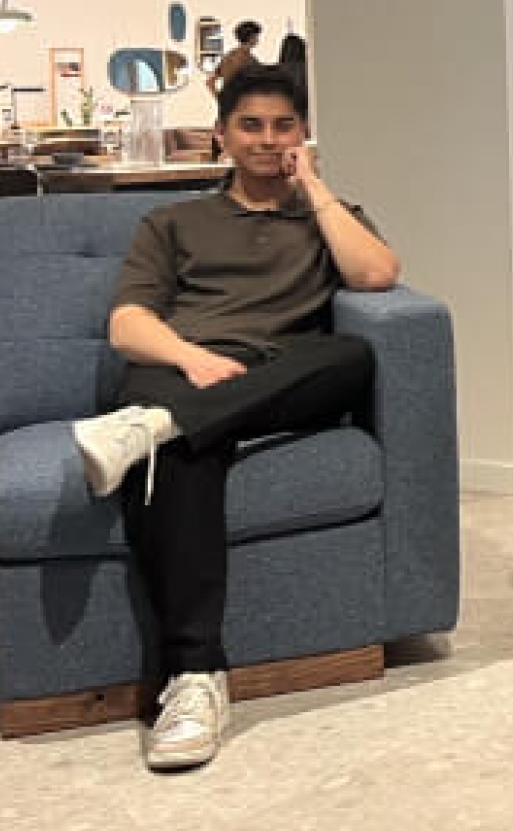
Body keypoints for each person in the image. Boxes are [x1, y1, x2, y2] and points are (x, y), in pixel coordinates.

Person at [66, 63, 402, 771]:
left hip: (275, 374)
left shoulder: (325, 216)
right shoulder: (174, 221)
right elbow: (128, 324)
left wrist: (313, 187)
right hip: (180, 364)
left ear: (304, 134)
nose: (267, 138)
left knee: (350, 355)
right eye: (250, 125)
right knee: (185, 451)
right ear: (222, 135)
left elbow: (376, 275)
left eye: (284, 125)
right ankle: (194, 680)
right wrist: (189, 359)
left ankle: (154, 424)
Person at [208, 20, 264, 99]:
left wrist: (222, 100)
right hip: (242, 105)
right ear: (251, 37)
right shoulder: (247, 59)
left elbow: (210, 82)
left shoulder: (229, 56)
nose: (258, 39)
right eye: (256, 36)